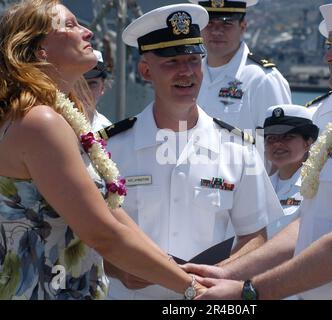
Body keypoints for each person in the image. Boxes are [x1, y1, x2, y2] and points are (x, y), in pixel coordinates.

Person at [183, 0, 332, 300]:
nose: (329, 55)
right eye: (330, 44)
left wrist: (250, 293)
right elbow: (309, 225)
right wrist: (230, 271)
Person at [0, 0, 205, 300]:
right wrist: (194, 291)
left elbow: (112, 215)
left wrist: (180, 274)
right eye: (70, 25)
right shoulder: (40, 122)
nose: (88, 32)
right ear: (38, 47)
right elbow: (102, 234)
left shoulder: (49, 115)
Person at [104, 3, 282, 299]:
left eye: (192, 60)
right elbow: (92, 234)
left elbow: (256, 236)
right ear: (146, 71)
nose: (186, 72)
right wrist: (117, 268)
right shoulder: (111, 149)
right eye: (171, 62)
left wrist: (223, 273)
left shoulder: (238, 149)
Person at [188, 0, 291, 133]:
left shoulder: (262, 79)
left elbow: (281, 142)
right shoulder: (189, 74)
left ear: (243, 27)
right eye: (210, 23)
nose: (217, 31)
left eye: (226, 24)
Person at [260, 105, 319, 238]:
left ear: (308, 143)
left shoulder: (317, 186)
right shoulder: (258, 186)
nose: (277, 143)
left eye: (287, 137)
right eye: (271, 138)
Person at [83, 49, 112, 131]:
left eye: (92, 84)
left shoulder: (107, 130)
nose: (85, 91)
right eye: (80, 84)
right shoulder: (54, 124)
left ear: (102, 87)